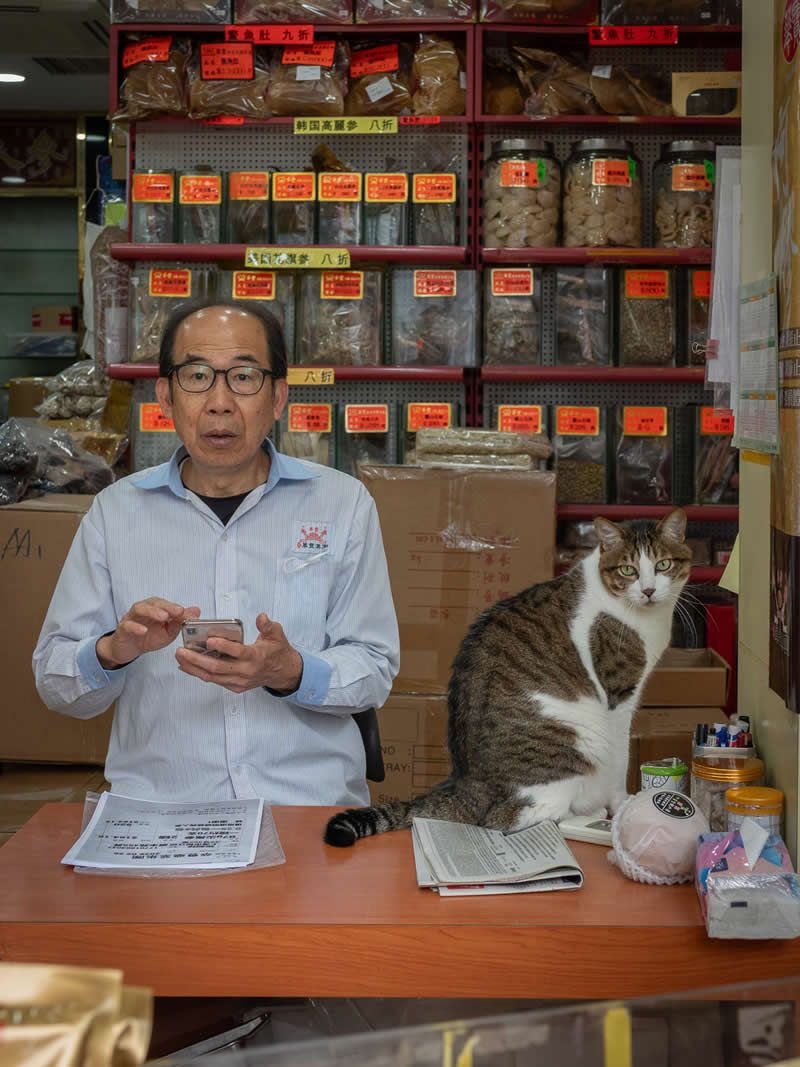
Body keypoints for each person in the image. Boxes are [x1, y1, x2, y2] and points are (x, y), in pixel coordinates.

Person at [33, 301, 400, 806]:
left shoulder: (342, 503)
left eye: (244, 377)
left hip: (305, 809)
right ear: (165, 395)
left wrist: (288, 671)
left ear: (277, 398)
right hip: (161, 814)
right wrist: (112, 651)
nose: (220, 402)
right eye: (197, 376)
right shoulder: (115, 512)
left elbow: (375, 667)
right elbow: (55, 681)